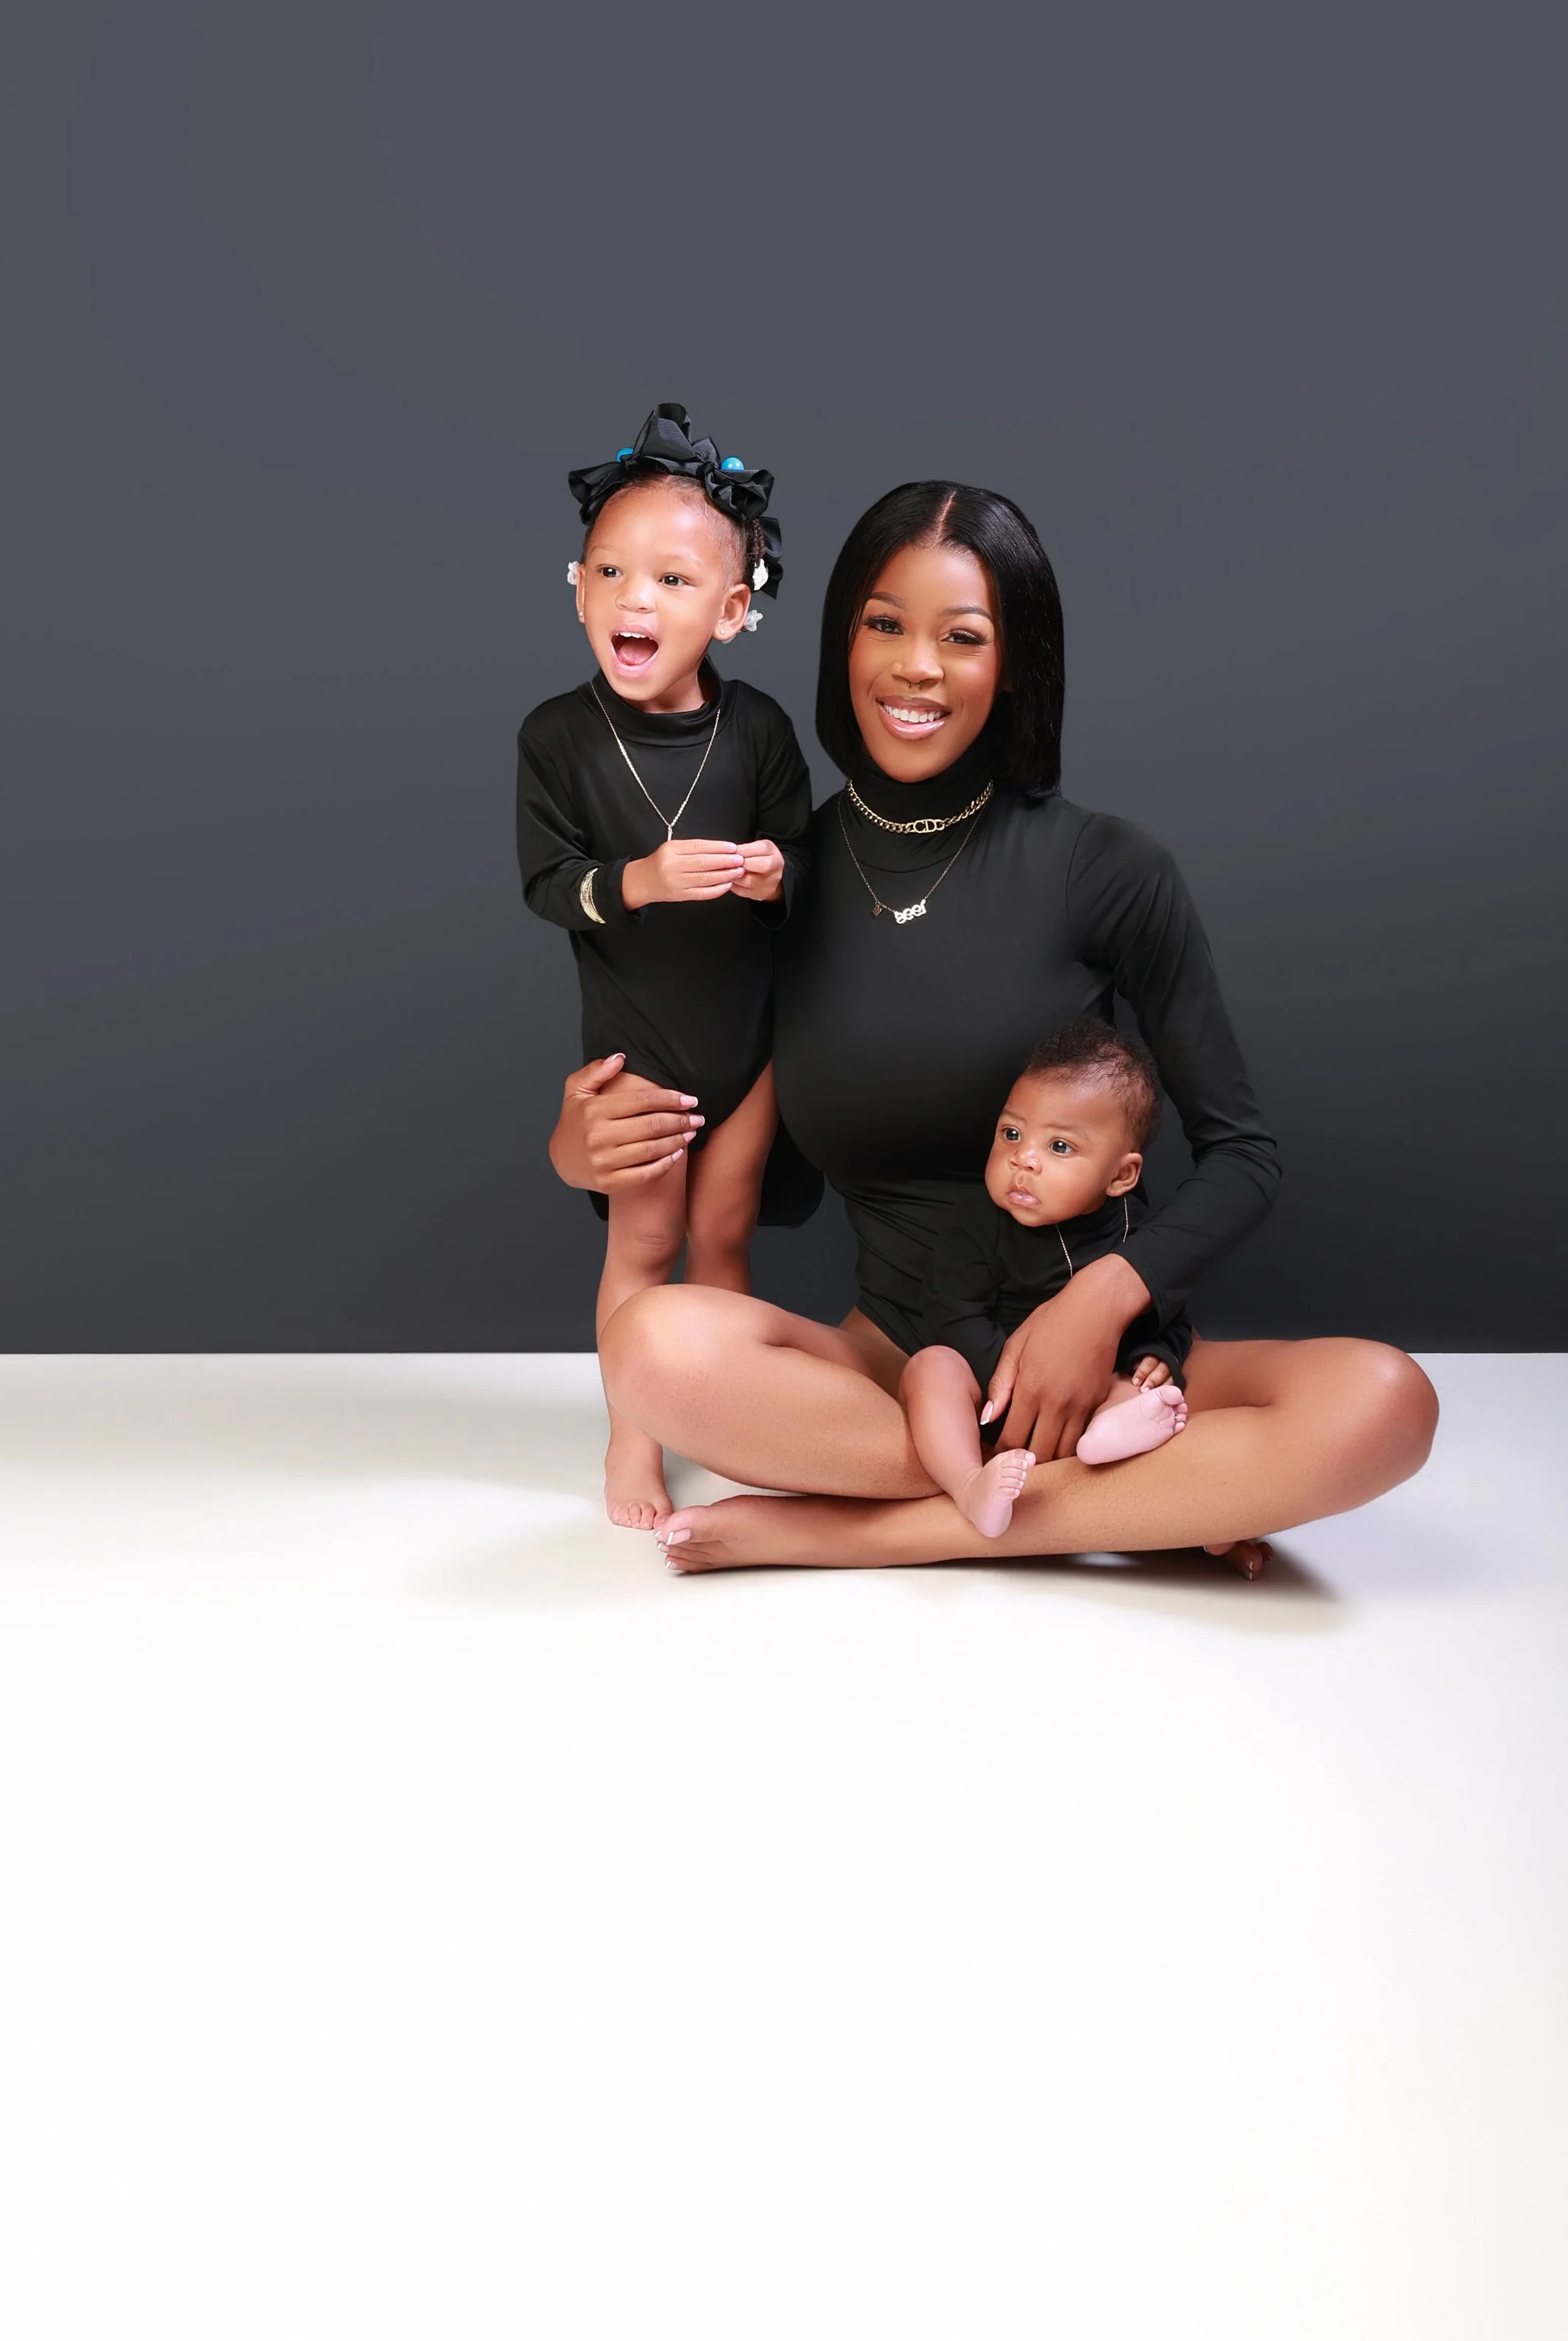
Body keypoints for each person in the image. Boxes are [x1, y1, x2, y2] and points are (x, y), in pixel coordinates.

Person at [551, 477, 1437, 1573]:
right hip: (900, 1370)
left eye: (962, 637)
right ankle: (1132, 1500)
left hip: (1110, 1364)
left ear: (1014, 663)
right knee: (651, 1346)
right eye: (885, 625)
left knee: (1385, 1400)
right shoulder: (778, 879)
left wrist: (1097, 1305)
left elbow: (1243, 1154)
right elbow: (710, 1111)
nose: (916, 666)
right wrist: (578, 1148)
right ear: (842, 643)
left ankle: (866, 1534)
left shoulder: (1105, 869)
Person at [516, 404, 812, 1528]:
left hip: (752, 1040)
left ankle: (724, 1418)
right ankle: (631, 1437)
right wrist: (639, 879)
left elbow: (809, 869)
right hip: (641, 1043)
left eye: (673, 580)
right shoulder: (556, 736)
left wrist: (772, 875)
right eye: (611, 571)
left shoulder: (761, 729)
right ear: (578, 588)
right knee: (644, 1242)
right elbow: (549, 885)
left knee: (724, 1235)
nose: (634, 599)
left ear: (733, 610)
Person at [900, 1017, 1195, 1541]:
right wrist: (1011, 1392)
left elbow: (1168, 1314)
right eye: (1011, 1134)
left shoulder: (1140, 1234)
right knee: (930, 1366)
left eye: (1059, 1147)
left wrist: (1158, 1356)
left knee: (1146, 1385)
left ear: (1121, 1175)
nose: (1023, 1159)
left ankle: (1107, 1437)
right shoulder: (981, 1224)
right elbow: (951, 1310)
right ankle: (970, 1485)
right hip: (992, 1397)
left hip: (1093, 1393)